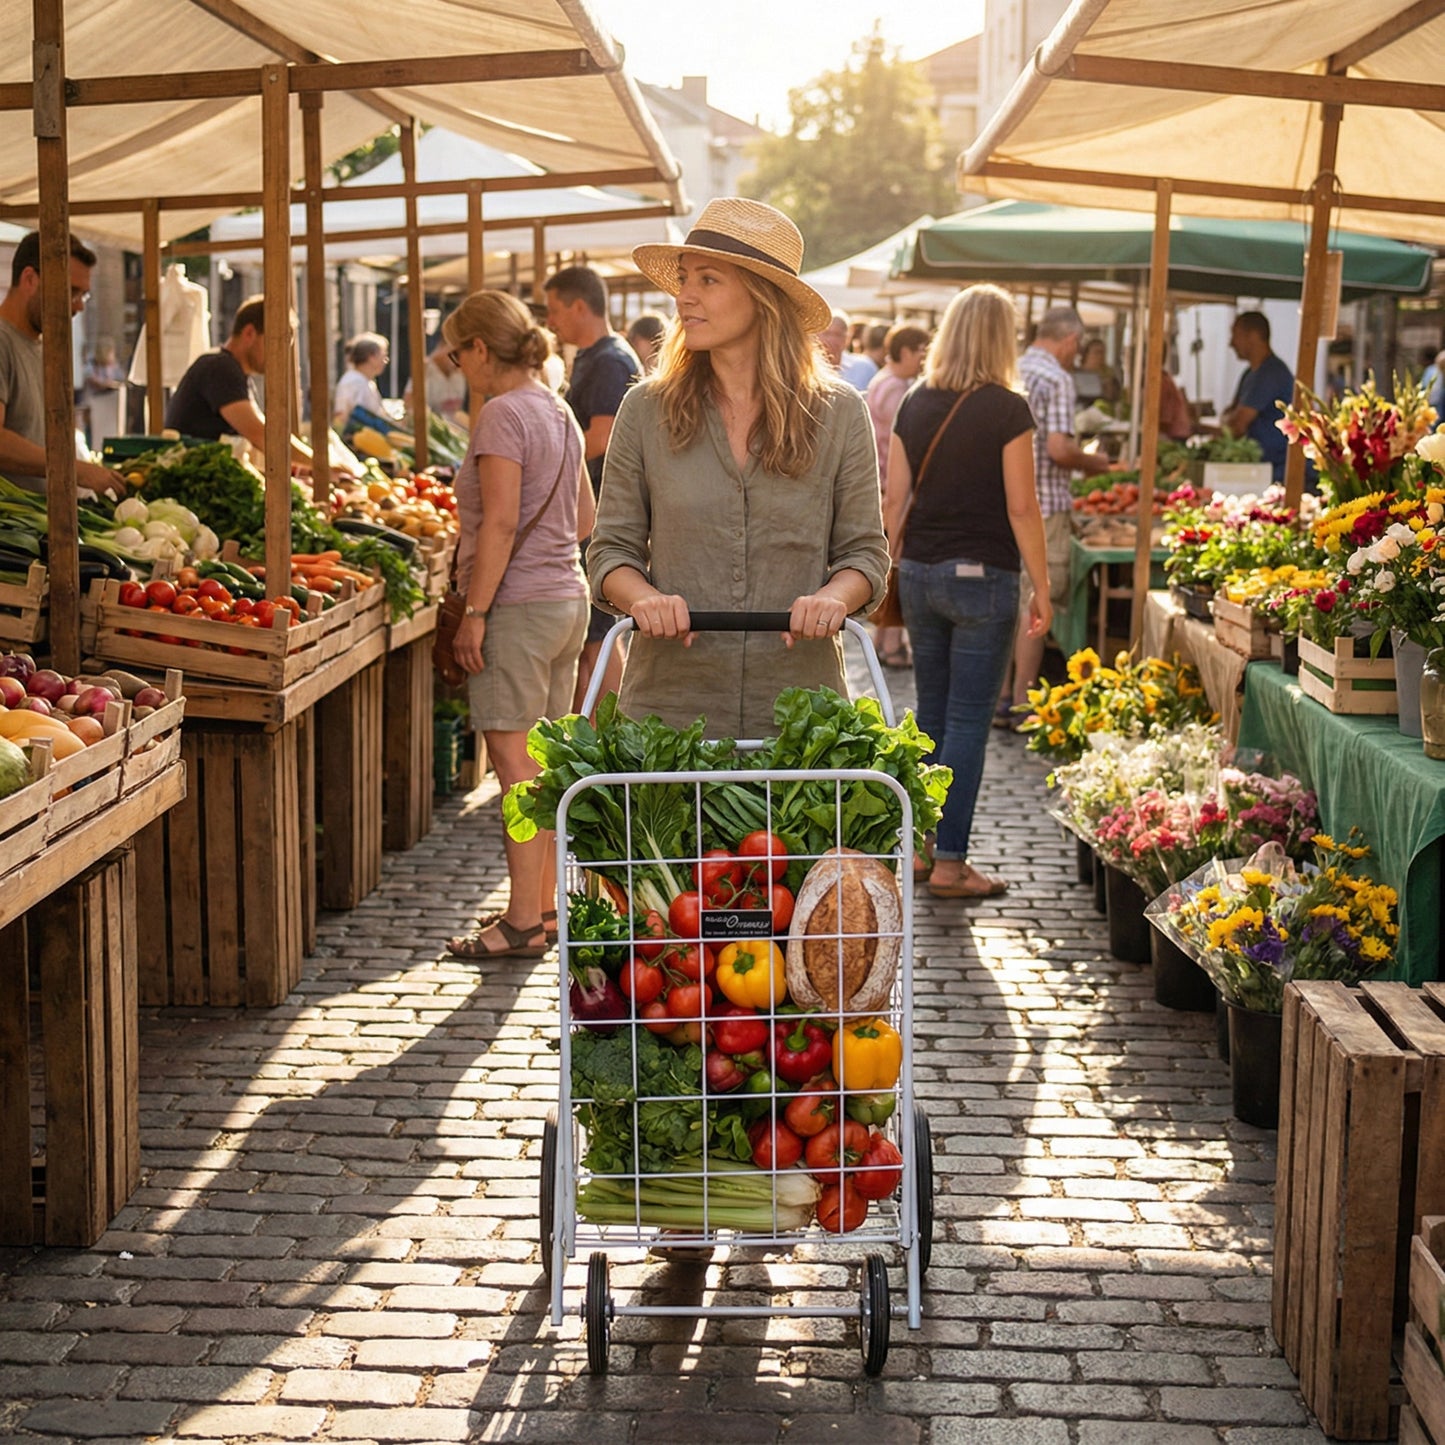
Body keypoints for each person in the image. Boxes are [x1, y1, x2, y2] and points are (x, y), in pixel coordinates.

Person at [588, 196, 889, 741]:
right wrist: (644, 599)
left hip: (803, 720)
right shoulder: (646, 410)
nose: (683, 297)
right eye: (683, 279)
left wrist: (832, 599)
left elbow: (865, 555)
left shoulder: (840, 413)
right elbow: (610, 553)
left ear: (763, 296)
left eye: (707, 280)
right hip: (667, 719)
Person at [441, 290, 595, 962]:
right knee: (544, 766)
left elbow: (500, 520)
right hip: (566, 599)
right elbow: (586, 519)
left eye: (455, 353)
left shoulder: (502, 414)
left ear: (479, 348)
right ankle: (548, 907)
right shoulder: (556, 407)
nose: (456, 367)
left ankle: (522, 919)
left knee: (516, 769)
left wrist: (473, 612)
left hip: (518, 608)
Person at [885, 285, 1050, 902]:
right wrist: (1043, 584)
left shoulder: (913, 400)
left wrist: (886, 569)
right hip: (986, 577)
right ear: (1001, 338)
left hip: (920, 574)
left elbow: (893, 500)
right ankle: (952, 862)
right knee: (966, 722)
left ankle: (924, 852)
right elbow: (1022, 505)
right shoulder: (1008, 408)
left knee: (929, 714)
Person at [1005, 306, 1113, 717]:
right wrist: (1095, 463)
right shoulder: (1057, 378)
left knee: (1008, 596)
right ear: (1070, 340)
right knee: (1035, 599)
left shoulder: (1010, 367)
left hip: (1003, 502)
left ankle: (999, 696)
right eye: (1078, 345)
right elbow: (1058, 449)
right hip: (1043, 505)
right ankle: (1022, 699)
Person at [543, 264, 640, 712]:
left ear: (579, 306)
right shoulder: (593, 357)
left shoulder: (609, 360)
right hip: (589, 511)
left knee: (598, 638)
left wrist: (547, 468)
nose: (550, 322)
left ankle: (607, 731)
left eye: (554, 310)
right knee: (595, 637)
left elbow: (600, 438)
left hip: (597, 515)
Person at [0, 230, 122, 496]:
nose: (78, 306)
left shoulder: (45, 349)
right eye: (70, 292)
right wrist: (73, 468)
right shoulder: (2, 342)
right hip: (13, 531)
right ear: (30, 279)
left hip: (43, 526)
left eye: (84, 295)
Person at [165, 295, 317, 471]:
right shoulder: (220, 368)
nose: (279, 355)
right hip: (191, 480)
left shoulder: (238, 375)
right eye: (274, 344)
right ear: (249, 333)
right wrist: (323, 466)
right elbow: (263, 436)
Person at [865, 323, 930, 668]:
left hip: (888, 484)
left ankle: (883, 641)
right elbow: (903, 446)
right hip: (891, 486)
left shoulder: (887, 382)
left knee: (893, 563)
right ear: (904, 351)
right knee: (895, 564)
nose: (923, 359)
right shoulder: (895, 388)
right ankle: (889, 644)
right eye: (920, 351)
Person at [1219, 310, 1294, 482]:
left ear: (1253, 336)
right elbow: (1230, 414)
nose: (1231, 343)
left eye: (1235, 335)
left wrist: (1203, 426)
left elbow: (1237, 425)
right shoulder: (1250, 374)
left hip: (1276, 472)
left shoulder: (1271, 373)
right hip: (1260, 469)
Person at [332, 332, 389, 428]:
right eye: (383, 356)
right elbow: (341, 417)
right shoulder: (352, 382)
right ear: (372, 357)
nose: (385, 361)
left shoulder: (366, 381)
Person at [403, 343, 469, 426]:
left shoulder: (462, 372)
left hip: (458, 431)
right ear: (443, 346)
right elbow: (409, 405)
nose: (459, 360)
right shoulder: (425, 368)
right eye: (456, 354)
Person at [83, 337, 126, 450]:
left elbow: (121, 379)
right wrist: (106, 384)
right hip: (97, 405)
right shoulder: (92, 366)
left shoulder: (114, 367)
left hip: (112, 405)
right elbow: (92, 380)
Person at [1074, 337, 1121, 405]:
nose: (1100, 356)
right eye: (1096, 352)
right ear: (1086, 353)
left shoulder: (1109, 374)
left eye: (1102, 352)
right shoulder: (1076, 373)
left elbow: (1114, 397)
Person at [1158, 368, 1194, 442]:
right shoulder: (1165, 378)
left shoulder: (1162, 380)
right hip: (1180, 430)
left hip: (1176, 431)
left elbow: (1166, 413)